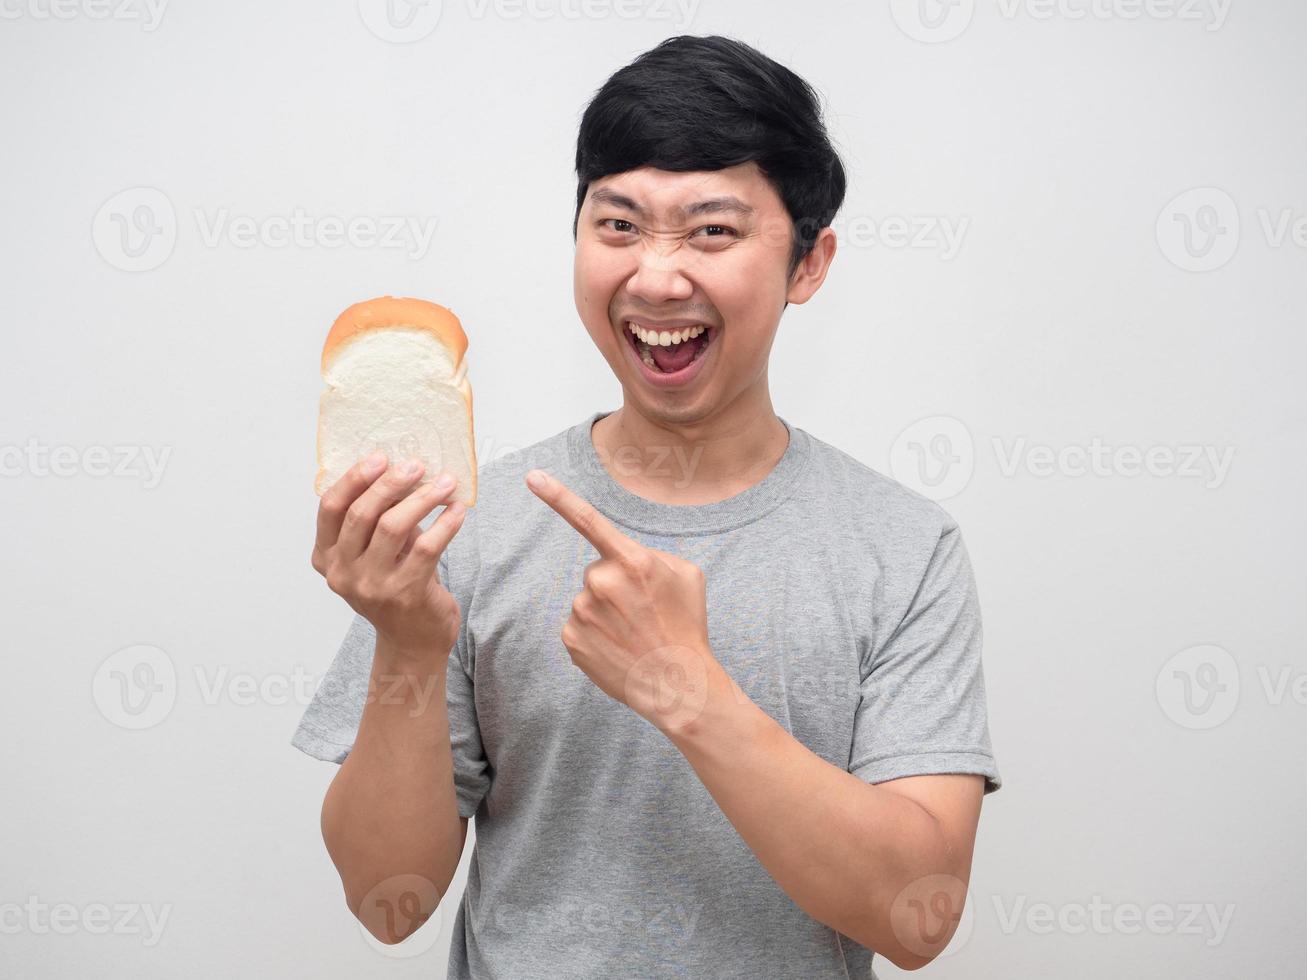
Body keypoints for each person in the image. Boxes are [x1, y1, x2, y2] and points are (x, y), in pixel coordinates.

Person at [294, 33, 1002, 978]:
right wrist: (407, 643)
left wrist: (688, 691)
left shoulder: (903, 549)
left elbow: (917, 921)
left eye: (712, 230)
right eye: (618, 225)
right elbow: (389, 902)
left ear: (808, 261)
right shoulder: (467, 522)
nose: (656, 276)